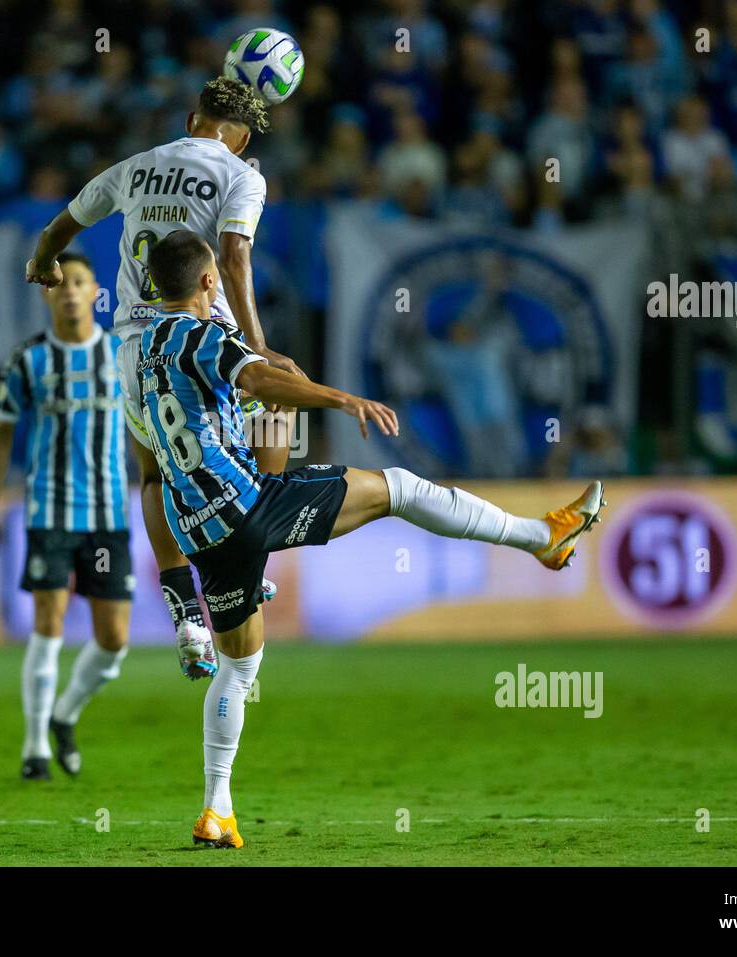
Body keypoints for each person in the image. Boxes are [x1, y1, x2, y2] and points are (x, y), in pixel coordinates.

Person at [137, 230, 607, 848]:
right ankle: (541, 536)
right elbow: (258, 382)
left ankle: (216, 810)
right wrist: (340, 398)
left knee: (240, 665)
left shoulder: (141, 351)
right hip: (247, 505)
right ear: (206, 282)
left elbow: (179, 442)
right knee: (401, 489)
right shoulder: (203, 334)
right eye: (217, 279)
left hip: (200, 531)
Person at [25, 77, 301, 682]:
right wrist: (257, 348)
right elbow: (233, 257)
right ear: (243, 136)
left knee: (154, 473)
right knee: (282, 409)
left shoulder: (137, 166)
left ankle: (185, 614)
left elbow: (67, 221)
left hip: (135, 345)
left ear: (191, 118)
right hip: (204, 341)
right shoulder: (241, 175)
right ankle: (255, 552)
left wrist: (44, 260)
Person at [0, 253, 132, 781]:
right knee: (49, 625)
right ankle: (35, 745)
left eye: (80, 282)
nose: (68, 291)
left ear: (95, 293)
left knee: (114, 640)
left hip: (109, 514)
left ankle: (65, 715)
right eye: (59, 284)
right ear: (46, 293)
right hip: (48, 511)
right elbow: (0, 440)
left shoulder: (123, 354)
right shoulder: (27, 361)